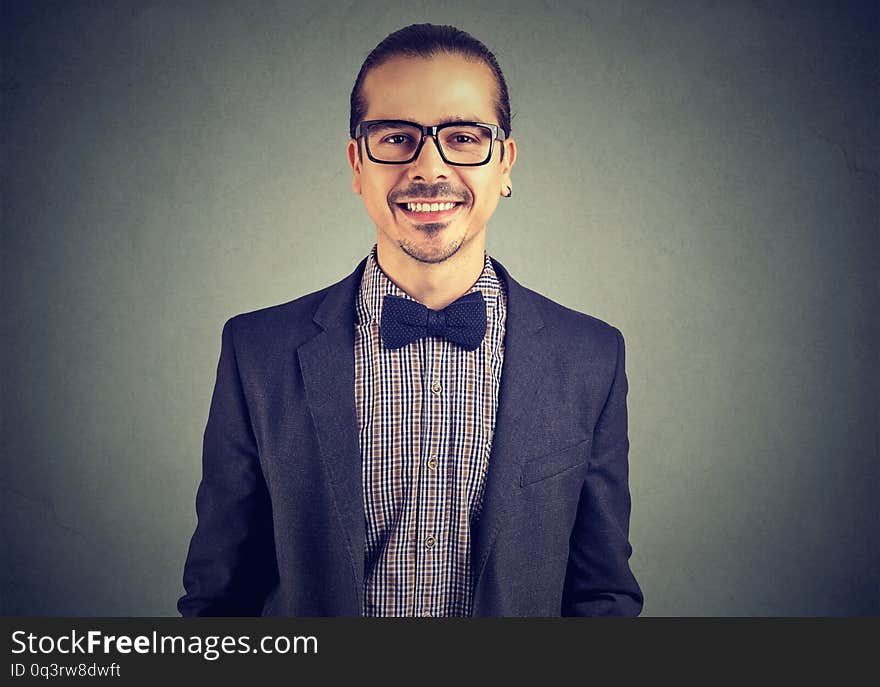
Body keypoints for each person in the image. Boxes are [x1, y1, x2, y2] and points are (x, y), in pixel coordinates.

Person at [178, 23, 643, 617]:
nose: (430, 167)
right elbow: (218, 600)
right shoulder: (256, 351)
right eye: (396, 137)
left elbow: (603, 596)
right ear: (356, 163)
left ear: (504, 163)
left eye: (465, 137)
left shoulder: (590, 357)